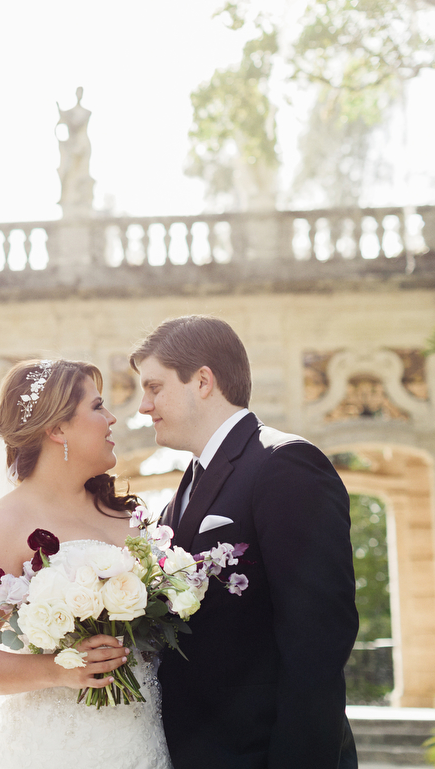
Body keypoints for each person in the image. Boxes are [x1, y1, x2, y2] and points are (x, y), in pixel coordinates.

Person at [0, 359, 171, 769]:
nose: (111, 418)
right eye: (97, 407)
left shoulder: (125, 513)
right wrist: (60, 669)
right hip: (59, 749)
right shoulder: (4, 527)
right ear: (56, 430)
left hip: (144, 739)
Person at [130, 315, 359, 769]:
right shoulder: (187, 484)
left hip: (264, 753)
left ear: (202, 381)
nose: (143, 405)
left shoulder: (285, 464)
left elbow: (317, 641)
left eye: (154, 387)